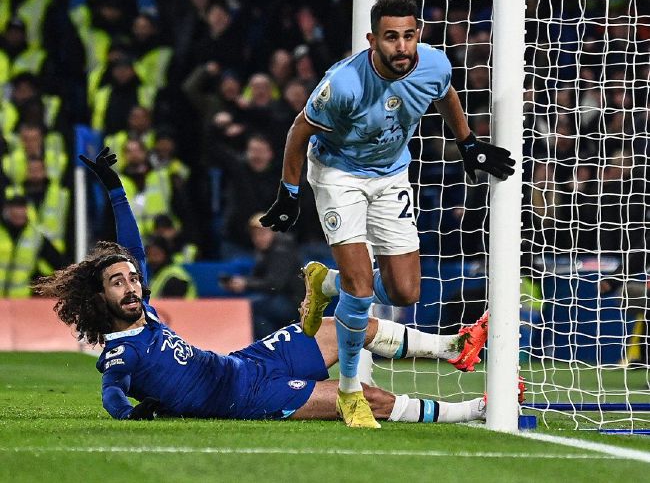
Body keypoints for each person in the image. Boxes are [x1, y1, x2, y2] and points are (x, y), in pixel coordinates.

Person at [34, 147, 490, 426]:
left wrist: (114, 188)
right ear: (101, 299)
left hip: (247, 363)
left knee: (342, 325)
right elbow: (112, 392)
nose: (132, 285)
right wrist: (131, 413)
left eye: (133, 277)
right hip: (250, 398)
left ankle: (454, 346)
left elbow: (130, 246)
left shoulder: (144, 311)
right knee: (364, 398)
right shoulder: (120, 352)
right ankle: (474, 411)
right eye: (119, 282)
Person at [261, 0, 515, 428]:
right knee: (361, 291)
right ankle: (349, 392)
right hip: (339, 176)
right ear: (372, 39)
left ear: (419, 34)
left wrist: (468, 144)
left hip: (392, 176)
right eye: (391, 37)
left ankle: (327, 285)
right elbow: (300, 129)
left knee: (404, 291)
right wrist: (288, 191)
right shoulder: (344, 84)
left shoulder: (433, 65)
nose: (402, 46)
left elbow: (446, 94)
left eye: (409, 36)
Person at [220, 213, 304, 339]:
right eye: (255, 235)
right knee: (250, 307)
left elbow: (276, 284)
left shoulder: (282, 250)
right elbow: (259, 279)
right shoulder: (265, 251)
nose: (259, 238)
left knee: (252, 306)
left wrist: (246, 283)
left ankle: (269, 348)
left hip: (293, 302)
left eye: (263, 233)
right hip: (278, 297)